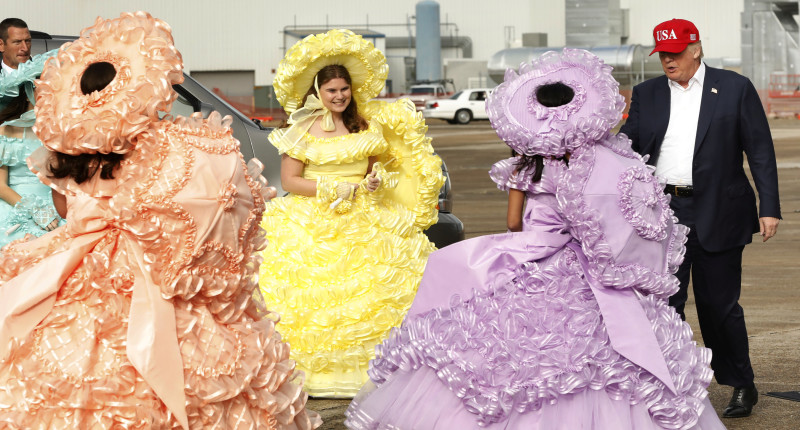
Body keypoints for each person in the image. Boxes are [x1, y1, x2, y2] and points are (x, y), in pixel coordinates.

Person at [345, 48, 725, 429]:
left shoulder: (525, 168)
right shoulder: (592, 166)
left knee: (508, 345)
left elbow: (513, 223)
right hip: (583, 265)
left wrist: (537, 231)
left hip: (533, 258)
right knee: (597, 351)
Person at [0, 12, 320, 429]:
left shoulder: (67, 156)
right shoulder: (160, 147)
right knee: (183, 346)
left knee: (77, 358)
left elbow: (65, 212)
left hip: (82, 262)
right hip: (152, 262)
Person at [257, 29, 444, 398]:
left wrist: (374, 181)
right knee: (315, 300)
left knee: (381, 287)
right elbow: (291, 181)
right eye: (331, 91)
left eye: (344, 89)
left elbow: (374, 169)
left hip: (366, 213)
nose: (339, 96)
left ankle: (383, 368)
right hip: (312, 217)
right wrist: (329, 189)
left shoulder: (364, 125)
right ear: (317, 93)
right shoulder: (301, 130)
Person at [619, 18, 781, 419]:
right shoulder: (647, 93)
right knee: (665, 304)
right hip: (661, 214)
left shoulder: (734, 88)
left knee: (719, 305)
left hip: (720, 211)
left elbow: (759, 149)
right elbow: (625, 150)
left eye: (675, 53)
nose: (668, 61)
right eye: (663, 54)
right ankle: (669, 383)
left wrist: (769, 206)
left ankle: (741, 382)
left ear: (696, 49)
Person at [0, 45, 63, 248]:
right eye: (44, 87)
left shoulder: (60, 131)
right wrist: (34, 209)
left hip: (57, 208)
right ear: (28, 90)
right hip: (15, 206)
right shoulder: (6, 130)